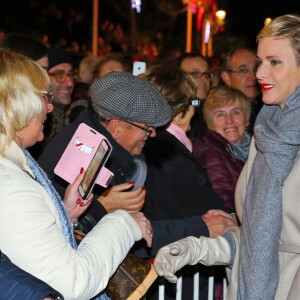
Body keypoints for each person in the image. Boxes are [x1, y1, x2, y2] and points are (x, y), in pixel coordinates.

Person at [154, 14, 300, 300]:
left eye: (275, 62)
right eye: (261, 62)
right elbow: (256, 236)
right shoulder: (266, 132)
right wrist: (196, 249)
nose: (259, 74)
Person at [0, 49, 153, 299]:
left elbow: (30, 249)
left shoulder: (14, 164)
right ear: (18, 103)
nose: (49, 108)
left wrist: (65, 213)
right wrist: (125, 222)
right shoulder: (10, 186)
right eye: (43, 97)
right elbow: (73, 284)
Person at [141, 66, 234, 299]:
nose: (196, 111)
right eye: (194, 104)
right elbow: (208, 209)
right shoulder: (169, 153)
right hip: (174, 275)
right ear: (180, 112)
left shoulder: (148, 144)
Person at [192, 86, 251, 212]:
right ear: (210, 123)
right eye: (221, 114)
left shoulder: (260, 148)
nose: (229, 120)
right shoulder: (209, 153)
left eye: (236, 112)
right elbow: (224, 203)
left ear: (246, 119)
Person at [221, 48, 262, 134]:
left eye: (256, 69)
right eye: (243, 70)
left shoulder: (272, 108)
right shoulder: (218, 112)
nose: (253, 76)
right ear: (226, 77)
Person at [177, 52, 213, 138]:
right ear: (179, 77)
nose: (204, 79)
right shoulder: (171, 111)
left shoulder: (213, 106)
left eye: (206, 74)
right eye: (195, 74)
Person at [44, 48, 76, 140]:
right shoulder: (42, 123)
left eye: (71, 74)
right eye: (59, 75)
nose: (70, 83)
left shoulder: (62, 115)